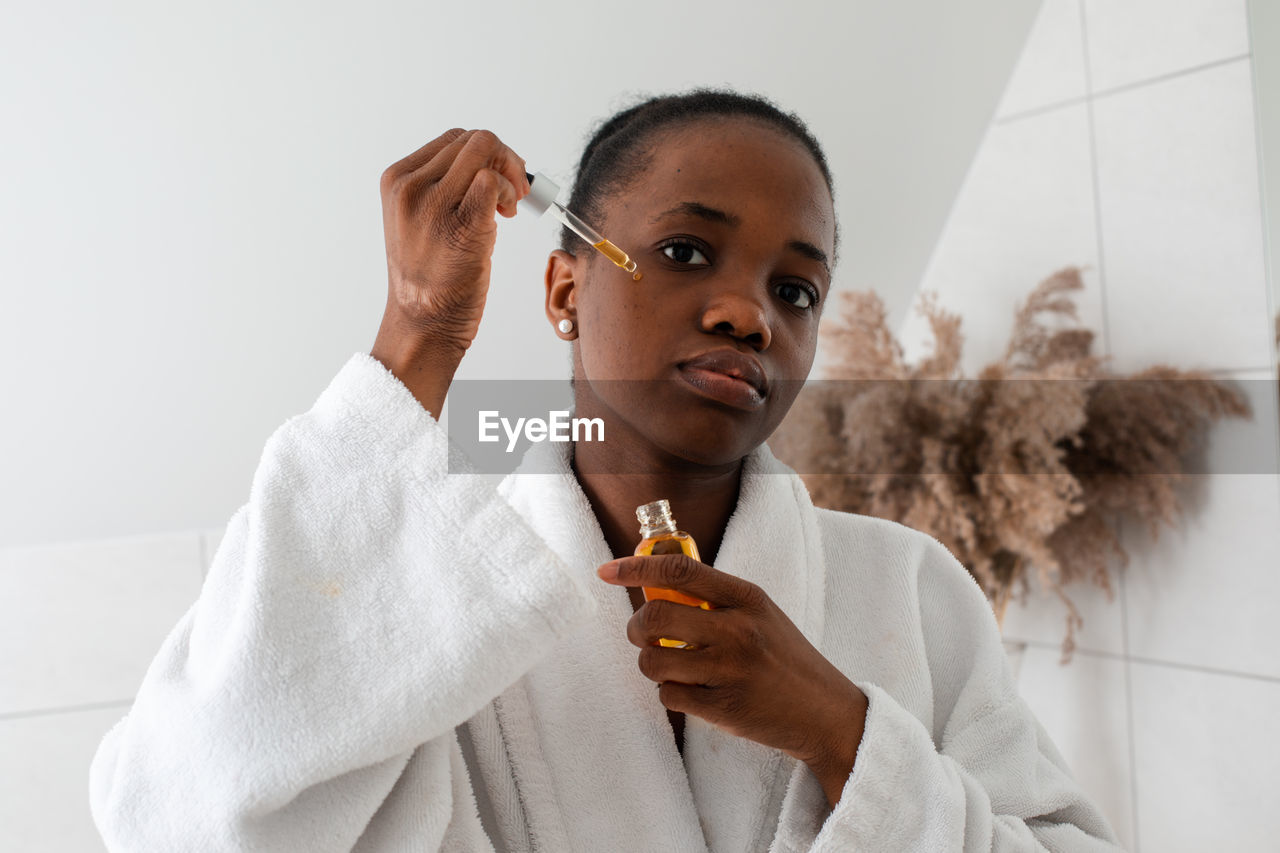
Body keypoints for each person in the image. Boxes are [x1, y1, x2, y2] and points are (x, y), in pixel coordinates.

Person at [89, 90, 1124, 851]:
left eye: (796, 289)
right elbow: (188, 814)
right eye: (683, 252)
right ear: (562, 288)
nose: (745, 312)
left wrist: (841, 731)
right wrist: (413, 343)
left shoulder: (908, 589)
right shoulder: (424, 599)